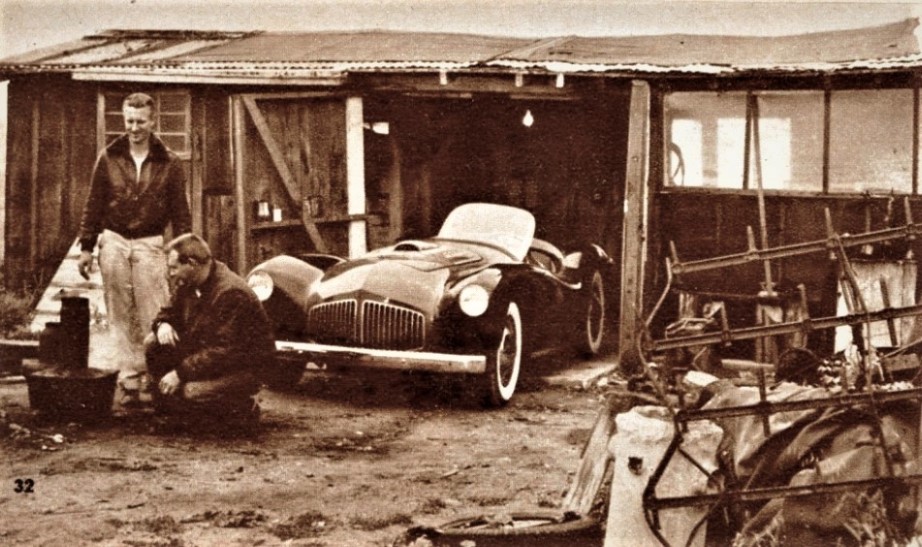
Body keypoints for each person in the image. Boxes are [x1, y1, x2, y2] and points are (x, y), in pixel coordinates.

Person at [77, 92, 192, 406]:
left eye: (140, 121)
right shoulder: (108, 157)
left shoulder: (170, 162)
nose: (134, 127)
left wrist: (182, 252)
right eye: (129, 121)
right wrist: (87, 246)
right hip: (113, 240)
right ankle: (129, 381)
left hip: (150, 242)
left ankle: (154, 379)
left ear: (153, 121)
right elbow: (93, 204)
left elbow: (180, 212)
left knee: (155, 313)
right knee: (120, 313)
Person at [144, 233, 275, 433]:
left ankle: (243, 409)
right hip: (210, 357)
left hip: (243, 367)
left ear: (191, 263)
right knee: (153, 342)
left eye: (173, 267)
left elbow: (225, 351)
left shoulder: (230, 293)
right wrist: (163, 324)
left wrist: (180, 373)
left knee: (192, 392)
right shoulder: (190, 282)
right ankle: (174, 412)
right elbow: (167, 312)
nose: (170, 273)